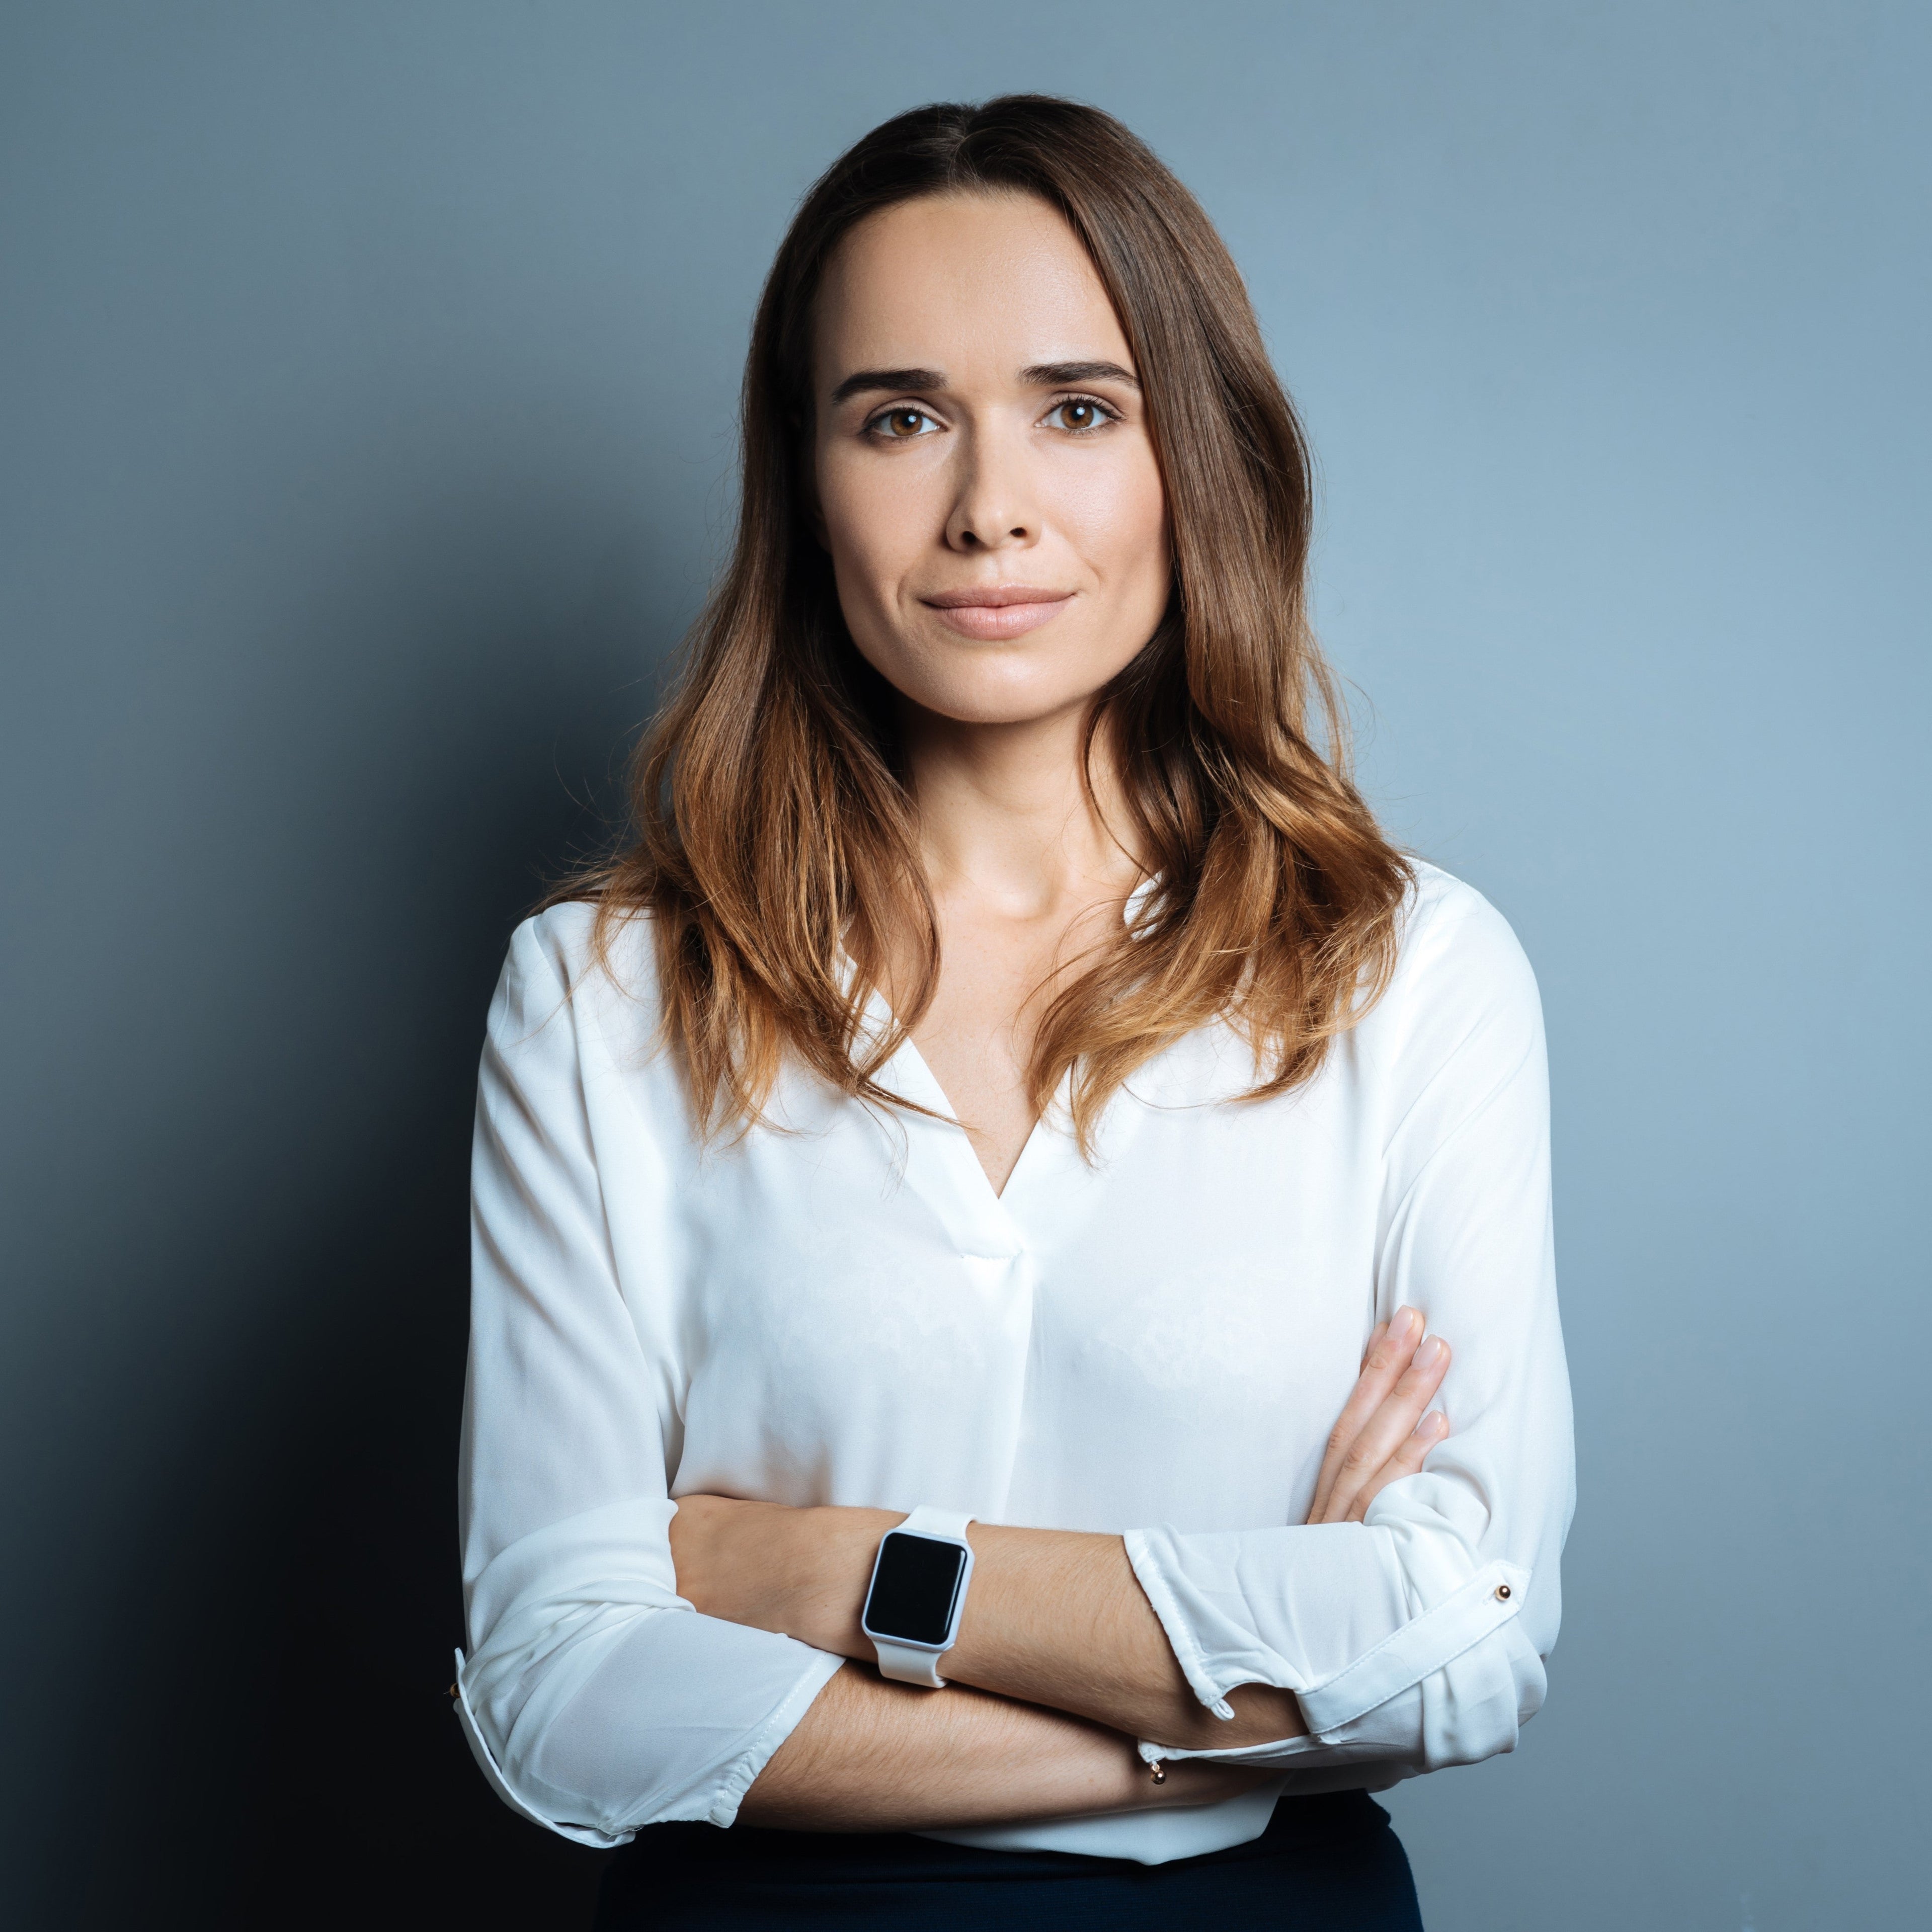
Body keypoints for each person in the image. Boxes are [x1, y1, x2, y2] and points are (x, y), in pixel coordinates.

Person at [453, 95, 1574, 1929]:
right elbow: (561, 1694)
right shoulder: (601, 999)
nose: (989, 507)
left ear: (1187, 458)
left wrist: (822, 1570)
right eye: (900, 417)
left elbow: (1470, 1645)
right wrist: (1240, 1707)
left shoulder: (1408, 976)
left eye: (1079, 408)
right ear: (804, 483)